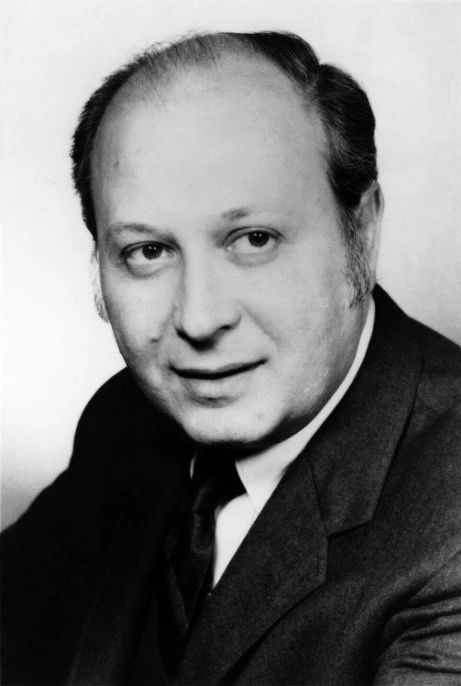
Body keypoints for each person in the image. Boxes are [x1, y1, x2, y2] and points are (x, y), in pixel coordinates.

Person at [1, 30, 461, 686]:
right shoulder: (126, 422)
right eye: (148, 251)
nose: (198, 318)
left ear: (359, 234)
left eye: (253, 239)